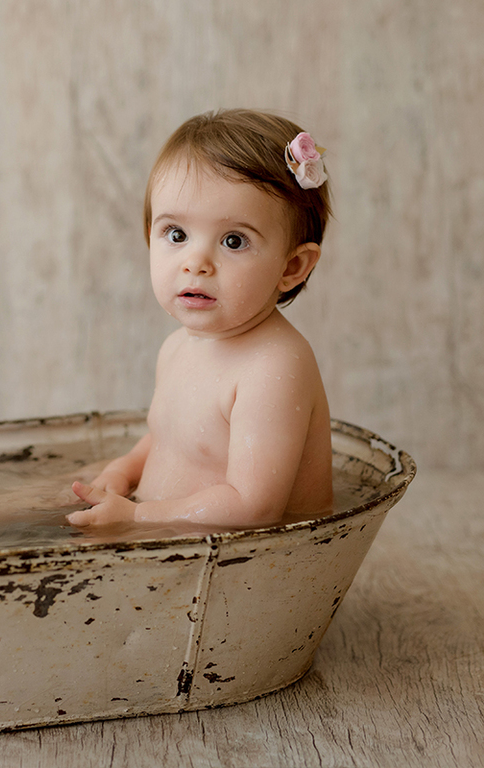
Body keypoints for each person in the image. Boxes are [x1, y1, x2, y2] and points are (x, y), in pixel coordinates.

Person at [69, 109, 334, 527]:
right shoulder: (177, 347)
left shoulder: (274, 366)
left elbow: (254, 506)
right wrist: (125, 469)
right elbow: (171, 440)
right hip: (169, 535)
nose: (196, 262)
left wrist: (137, 518)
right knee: (44, 501)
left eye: (233, 240)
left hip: (248, 567)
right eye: (176, 234)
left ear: (291, 267)